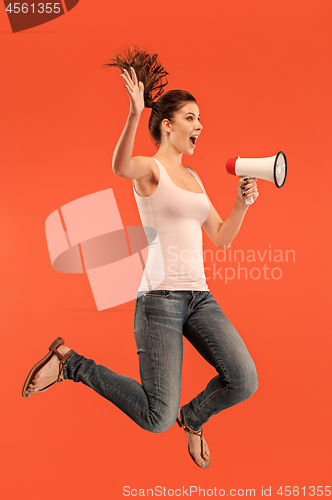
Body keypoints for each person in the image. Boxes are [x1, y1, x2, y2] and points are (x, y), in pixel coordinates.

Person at [23, 48, 259, 469]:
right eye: (191, 118)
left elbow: (221, 238)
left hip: (199, 299)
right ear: (167, 126)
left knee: (243, 380)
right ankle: (70, 363)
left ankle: (192, 418)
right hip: (160, 302)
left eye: (200, 119)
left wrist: (241, 204)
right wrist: (133, 113)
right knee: (155, 419)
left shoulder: (196, 177)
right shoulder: (151, 168)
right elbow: (118, 167)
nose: (199, 126)